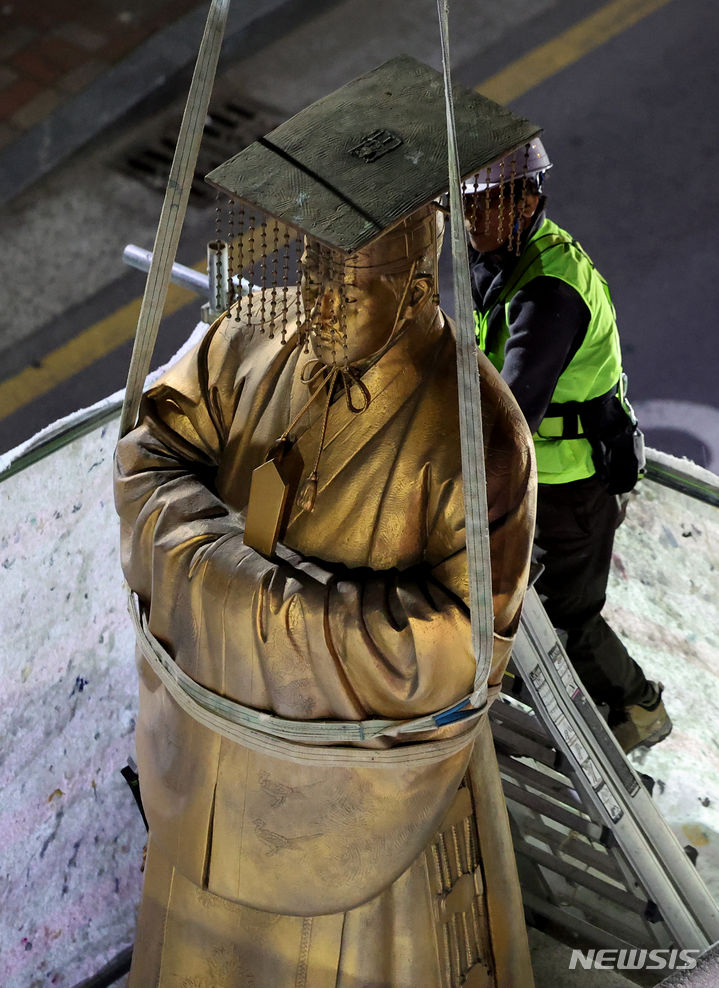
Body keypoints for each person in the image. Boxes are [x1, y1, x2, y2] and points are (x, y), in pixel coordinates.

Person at [114, 57, 539, 987]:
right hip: (219, 751)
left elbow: (460, 646)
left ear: (419, 288)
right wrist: (208, 561)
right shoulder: (252, 335)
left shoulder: (478, 436)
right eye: (309, 265)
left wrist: (267, 615)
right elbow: (147, 452)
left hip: (367, 803)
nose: (317, 299)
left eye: (351, 283)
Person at [463, 139, 671, 754]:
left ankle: (639, 708)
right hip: (540, 478)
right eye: (468, 206)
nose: (472, 219)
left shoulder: (551, 293)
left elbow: (515, 405)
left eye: (488, 205)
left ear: (529, 200)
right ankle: (554, 709)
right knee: (528, 608)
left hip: (573, 484)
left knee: (568, 617)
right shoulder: (504, 258)